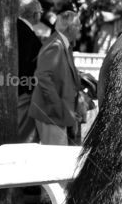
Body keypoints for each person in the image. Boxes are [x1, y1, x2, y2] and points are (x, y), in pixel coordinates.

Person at [29, 10, 83, 145]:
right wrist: (59, 108)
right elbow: (42, 77)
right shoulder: (55, 45)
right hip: (51, 114)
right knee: (55, 160)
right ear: (70, 28)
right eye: (79, 25)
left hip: (58, 114)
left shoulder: (63, 44)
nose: (81, 28)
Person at [16, 0, 47, 141]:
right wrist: (29, 87)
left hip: (22, 88)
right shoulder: (25, 33)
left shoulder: (20, 28)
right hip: (25, 91)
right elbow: (26, 63)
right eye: (40, 12)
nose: (41, 15)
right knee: (24, 135)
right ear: (35, 14)